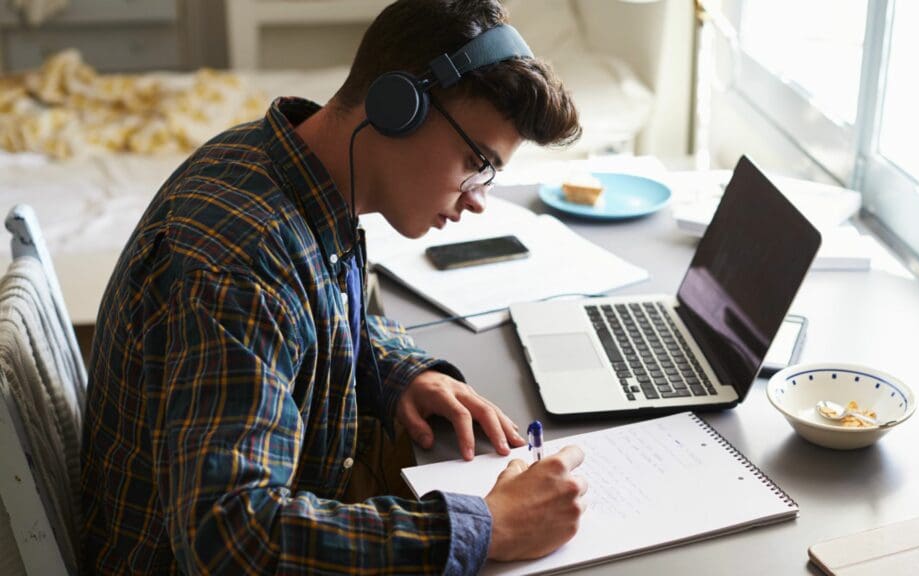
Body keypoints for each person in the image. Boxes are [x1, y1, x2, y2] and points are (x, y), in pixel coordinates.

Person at [80, 0, 589, 573]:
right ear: (398, 107)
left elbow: (309, 319)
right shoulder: (241, 262)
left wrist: (401, 372)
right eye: (475, 160)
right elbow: (231, 537)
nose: (477, 198)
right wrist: (487, 527)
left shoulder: (282, 169)